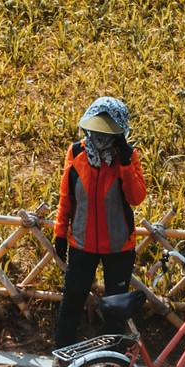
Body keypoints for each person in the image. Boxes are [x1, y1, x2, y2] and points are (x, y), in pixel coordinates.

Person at [51, 95, 146, 353]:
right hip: (81, 244)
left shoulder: (127, 157)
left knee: (115, 310)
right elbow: (66, 196)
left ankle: (110, 361)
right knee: (71, 302)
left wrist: (125, 164)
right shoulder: (76, 152)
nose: (98, 137)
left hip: (118, 248)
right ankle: (63, 358)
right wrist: (60, 232)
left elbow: (136, 197)